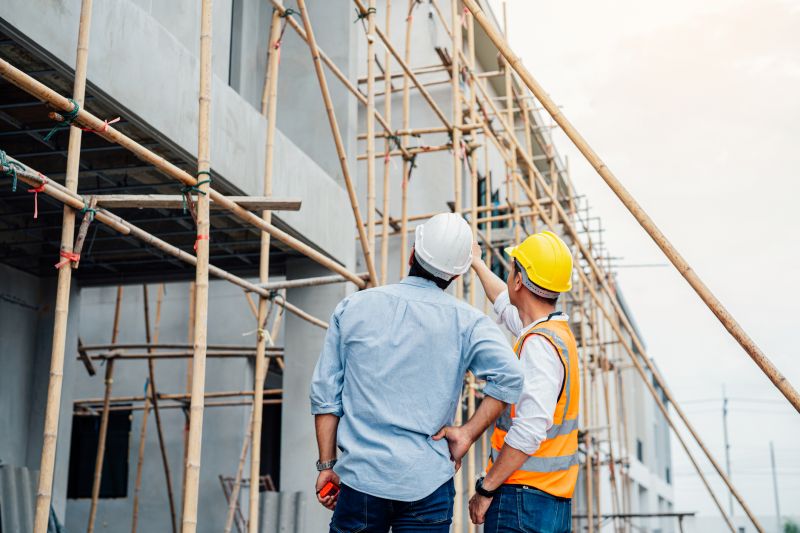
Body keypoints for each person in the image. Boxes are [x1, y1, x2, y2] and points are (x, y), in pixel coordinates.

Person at [309, 213, 524, 532]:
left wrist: (327, 465)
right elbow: (511, 378)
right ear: (458, 274)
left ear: (413, 252)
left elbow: (326, 396)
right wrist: (466, 433)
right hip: (428, 484)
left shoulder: (353, 308)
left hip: (361, 479)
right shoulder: (469, 322)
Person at [447, 231, 579, 532]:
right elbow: (505, 304)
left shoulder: (539, 345)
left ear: (519, 280)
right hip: (549, 500)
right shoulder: (554, 333)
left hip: (523, 500)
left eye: (512, 269)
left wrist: (486, 489)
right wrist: (478, 264)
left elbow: (529, 429)